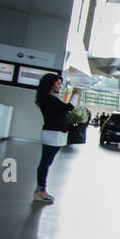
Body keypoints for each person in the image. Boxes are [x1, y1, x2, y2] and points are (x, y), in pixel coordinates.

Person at [33, 73, 75, 204]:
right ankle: (41, 190)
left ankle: (40, 189)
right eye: (58, 83)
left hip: (55, 135)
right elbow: (68, 107)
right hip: (52, 135)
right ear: (50, 84)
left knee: (47, 162)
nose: (59, 86)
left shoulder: (49, 98)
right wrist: (75, 94)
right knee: (45, 163)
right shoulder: (48, 99)